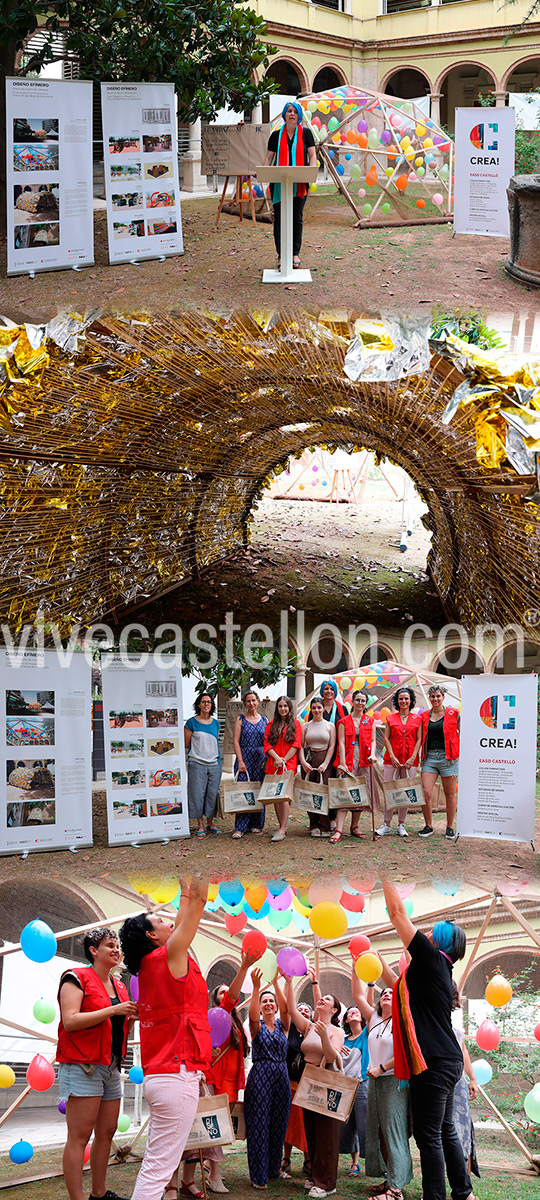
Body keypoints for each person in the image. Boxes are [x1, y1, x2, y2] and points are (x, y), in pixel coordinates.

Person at [382, 878, 477, 1200]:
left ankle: (434, 1196)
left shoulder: (431, 959)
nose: (424, 934)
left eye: (431, 932)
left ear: (440, 941)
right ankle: (463, 1192)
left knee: (428, 1136)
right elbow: (398, 986)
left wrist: (381, 873)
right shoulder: (438, 970)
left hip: (434, 1063)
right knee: (445, 1130)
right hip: (448, 1062)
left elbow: (396, 913)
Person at [119, 876, 210, 1200]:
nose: (171, 920)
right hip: (176, 1077)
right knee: (157, 1170)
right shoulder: (169, 955)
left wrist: (185, 887)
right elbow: (197, 904)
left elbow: (187, 906)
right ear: (151, 935)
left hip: (164, 1077)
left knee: (155, 1166)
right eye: (160, 919)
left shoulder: (151, 965)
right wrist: (204, 871)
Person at [56, 927, 138, 1200]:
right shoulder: (75, 978)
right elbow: (71, 1020)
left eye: (117, 946)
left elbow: (116, 1023)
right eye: (109, 945)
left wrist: (129, 1017)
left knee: (107, 1132)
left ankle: (99, 1194)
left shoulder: (120, 985)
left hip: (111, 1066)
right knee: (79, 1137)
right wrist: (115, 1010)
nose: (116, 950)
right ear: (93, 951)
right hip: (83, 1064)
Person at [284, 977, 345, 1199]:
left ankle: (327, 1182)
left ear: (334, 1008)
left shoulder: (336, 1031)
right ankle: (315, 1175)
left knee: (327, 1131)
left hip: (326, 1078)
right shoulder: (309, 1025)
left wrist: (324, 1037)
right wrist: (289, 982)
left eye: (326, 999)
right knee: (311, 1128)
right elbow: (291, 1009)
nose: (321, 1000)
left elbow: (332, 1056)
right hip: (307, 1078)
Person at [244, 970, 291, 1188]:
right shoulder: (256, 1026)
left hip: (282, 1076)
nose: (269, 1004)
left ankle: (274, 1168)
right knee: (259, 1125)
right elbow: (253, 1016)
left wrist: (276, 984)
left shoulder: (284, 1026)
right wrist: (256, 989)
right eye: (265, 1001)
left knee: (279, 1124)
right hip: (261, 1075)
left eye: (271, 1001)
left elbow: (287, 1009)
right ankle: (258, 1176)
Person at [262, 102, 317, 268]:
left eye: (295, 112)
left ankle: (294, 253)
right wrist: (263, 172)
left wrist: (312, 170)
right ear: (284, 115)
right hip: (279, 185)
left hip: (300, 184)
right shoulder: (276, 136)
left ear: (299, 115)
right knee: (279, 219)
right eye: (288, 111)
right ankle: (281, 255)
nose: (291, 114)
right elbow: (269, 158)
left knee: (296, 218)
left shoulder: (306, 134)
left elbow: (312, 155)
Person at [282, 969, 321, 1178]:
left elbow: (319, 1009)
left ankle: (307, 1159)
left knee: (307, 1124)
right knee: (289, 1123)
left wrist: (315, 984)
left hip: (309, 1085)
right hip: (290, 1083)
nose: (304, 1012)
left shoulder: (313, 1030)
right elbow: (288, 1008)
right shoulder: (287, 1029)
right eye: (300, 1009)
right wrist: (288, 983)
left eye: (307, 1010)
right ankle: (286, 1158)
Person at [331, 689, 377, 843]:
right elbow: (341, 742)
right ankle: (339, 829)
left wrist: (373, 754)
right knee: (345, 793)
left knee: (360, 793)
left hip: (364, 759)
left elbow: (372, 740)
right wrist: (342, 762)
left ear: (366, 703)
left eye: (363, 701)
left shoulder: (370, 721)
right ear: (353, 701)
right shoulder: (343, 721)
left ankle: (355, 826)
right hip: (349, 759)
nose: (360, 703)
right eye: (357, 700)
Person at [377, 687, 421, 839]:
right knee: (390, 791)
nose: (403, 701)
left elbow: (419, 739)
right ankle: (386, 824)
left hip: (411, 762)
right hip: (391, 761)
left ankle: (401, 824)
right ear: (397, 701)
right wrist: (392, 756)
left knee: (406, 793)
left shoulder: (417, 719)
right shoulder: (390, 718)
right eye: (401, 698)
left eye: (406, 698)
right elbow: (386, 738)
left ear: (411, 701)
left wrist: (412, 757)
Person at [419, 684, 460, 840]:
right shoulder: (424, 716)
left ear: (443, 697)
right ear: (429, 698)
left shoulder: (453, 713)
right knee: (425, 792)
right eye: (432, 696)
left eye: (438, 696)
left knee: (449, 794)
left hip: (449, 758)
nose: (435, 699)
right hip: (429, 757)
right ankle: (428, 825)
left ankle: (450, 827)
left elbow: (464, 731)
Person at [339, 971, 369, 1178]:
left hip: (363, 1084)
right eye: (350, 1012)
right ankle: (355, 1163)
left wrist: (370, 985)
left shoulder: (367, 1034)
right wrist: (336, 1049)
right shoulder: (341, 1038)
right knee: (347, 1127)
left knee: (365, 1124)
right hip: (344, 1086)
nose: (354, 1013)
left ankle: (376, 1164)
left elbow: (368, 1006)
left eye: (357, 1011)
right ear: (346, 1019)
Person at [263, 696, 302, 842]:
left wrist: (283, 759)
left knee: (284, 796)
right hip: (273, 764)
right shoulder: (271, 724)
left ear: (290, 708)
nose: (283, 708)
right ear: (277, 708)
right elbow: (266, 745)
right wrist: (276, 758)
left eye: (285, 706)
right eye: (280, 706)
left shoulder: (296, 724)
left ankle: (283, 829)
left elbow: (296, 744)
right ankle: (281, 826)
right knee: (275, 796)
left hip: (288, 764)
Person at [451, 984, 480, 1178]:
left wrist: (473, 1079)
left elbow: (463, 1050)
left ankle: (464, 1181)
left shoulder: (454, 1018)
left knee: (462, 1129)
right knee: (440, 1131)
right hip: (436, 1078)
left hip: (458, 1082)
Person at [232, 691, 268, 839]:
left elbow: (268, 741)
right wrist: (240, 761)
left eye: (254, 700)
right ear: (245, 703)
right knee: (244, 791)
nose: (251, 703)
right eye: (248, 701)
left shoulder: (265, 720)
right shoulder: (240, 719)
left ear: (258, 702)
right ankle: (240, 827)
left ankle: (256, 824)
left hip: (260, 760)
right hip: (244, 758)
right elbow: (235, 741)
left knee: (259, 791)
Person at [185, 693, 222, 837]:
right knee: (197, 794)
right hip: (197, 763)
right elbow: (187, 744)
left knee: (212, 794)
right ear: (198, 704)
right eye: (203, 702)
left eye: (209, 702)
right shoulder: (191, 723)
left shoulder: (216, 723)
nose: (207, 704)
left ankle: (210, 823)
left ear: (212, 705)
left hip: (215, 764)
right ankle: (200, 824)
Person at [299, 696, 336, 837]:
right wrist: (303, 762)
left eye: (319, 707)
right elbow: (301, 746)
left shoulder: (329, 726)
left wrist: (326, 763)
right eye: (313, 708)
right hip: (309, 761)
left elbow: (332, 746)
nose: (316, 710)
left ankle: (325, 826)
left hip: (325, 760)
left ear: (323, 708)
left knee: (323, 792)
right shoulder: (305, 726)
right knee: (310, 792)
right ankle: (313, 824)